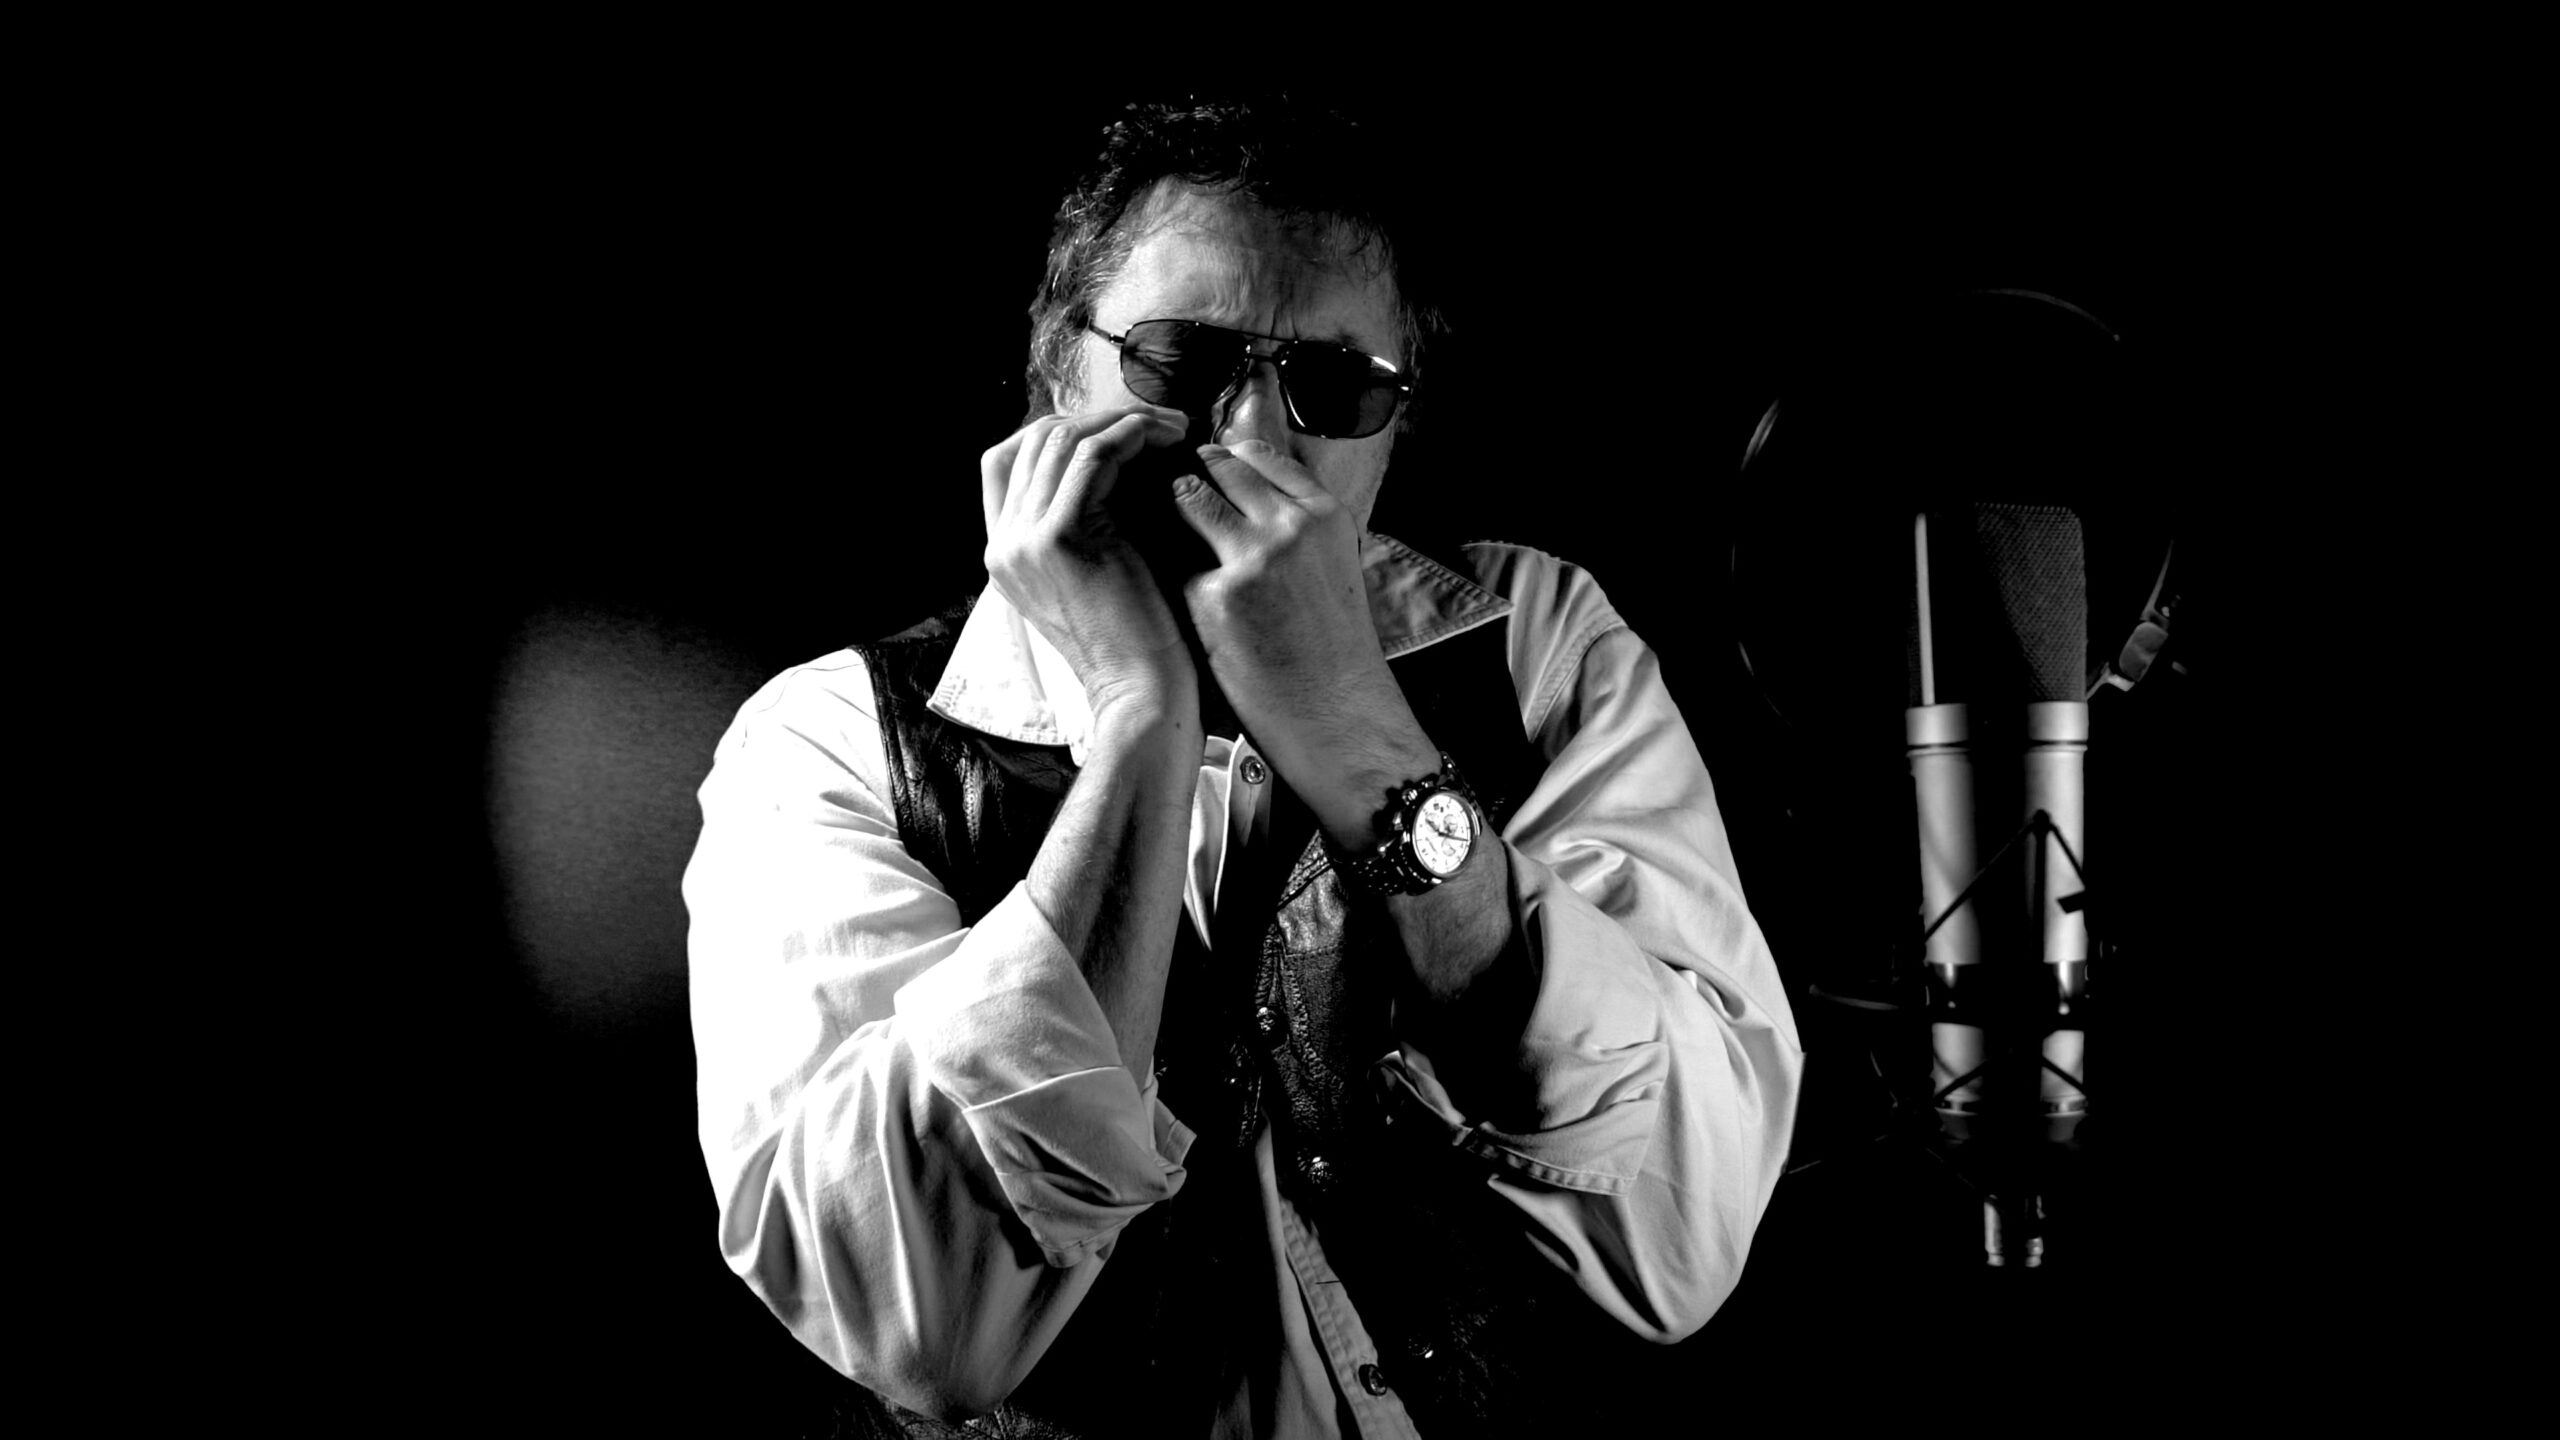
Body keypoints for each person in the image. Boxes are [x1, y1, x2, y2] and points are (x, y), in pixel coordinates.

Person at [685, 98, 1801, 1438]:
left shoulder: (1542, 647)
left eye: (1335, 389)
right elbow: (921, 1323)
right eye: (1184, 359)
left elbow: (1686, 1227)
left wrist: (1350, 725)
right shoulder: (829, 740)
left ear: (1393, 430)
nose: (1258, 442)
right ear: (1058, 377)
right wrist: (1141, 719)